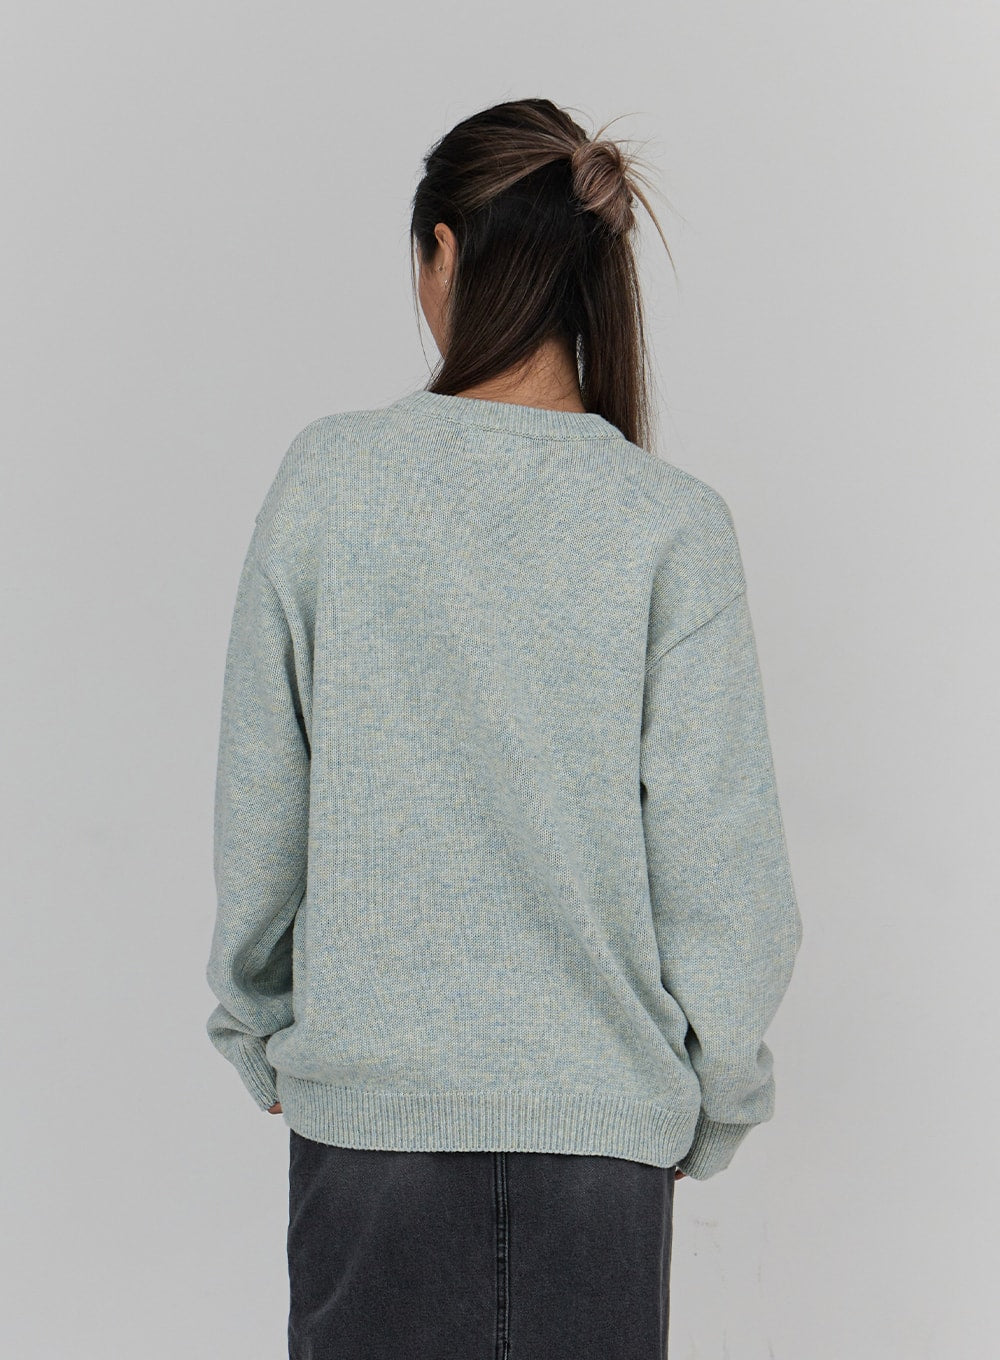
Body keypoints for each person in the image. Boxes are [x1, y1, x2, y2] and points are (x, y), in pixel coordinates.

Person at [204, 97, 803, 1360]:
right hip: (601, 1149)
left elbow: (263, 806)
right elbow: (725, 875)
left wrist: (260, 1029)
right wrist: (713, 1095)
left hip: (367, 1135)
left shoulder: (329, 483)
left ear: (442, 251)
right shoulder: (667, 524)